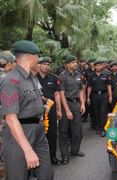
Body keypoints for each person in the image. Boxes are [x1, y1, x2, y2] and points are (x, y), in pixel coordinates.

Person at [0, 40, 53, 180]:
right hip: (18, 134)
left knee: (46, 174)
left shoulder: (31, 77)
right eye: (37, 56)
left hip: (38, 130)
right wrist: (28, 150)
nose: (38, 59)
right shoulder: (11, 81)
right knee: (18, 176)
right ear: (31, 57)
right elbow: (10, 119)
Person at [58, 54, 86, 164]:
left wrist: (83, 104)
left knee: (78, 130)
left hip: (76, 104)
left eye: (75, 62)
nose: (75, 64)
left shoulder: (79, 74)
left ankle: (75, 150)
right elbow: (61, 94)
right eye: (73, 62)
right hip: (66, 104)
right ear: (67, 65)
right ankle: (64, 154)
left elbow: (80, 90)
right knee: (64, 131)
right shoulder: (62, 76)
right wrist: (67, 110)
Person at [36, 56, 62, 165]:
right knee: (39, 134)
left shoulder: (54, 78)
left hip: (51, 109)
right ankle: (40, 159)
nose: (46, 66)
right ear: (39, 65)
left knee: (52, 133)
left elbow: (57, 94)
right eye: (44, 64)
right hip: (37, 109)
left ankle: (53, 157)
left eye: (48, 65)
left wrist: (59, 110)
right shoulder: (33, 78)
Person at [87, 60, 112, 137]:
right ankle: (98, 127)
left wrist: (110, 96)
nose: (98, 67)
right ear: (95, 66)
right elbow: (89, 87)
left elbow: (109, 86)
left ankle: (103, 129)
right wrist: (88, 97)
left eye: (100, 65)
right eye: (97, 65)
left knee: (103, 112)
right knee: (96, 112)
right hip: (95, 95)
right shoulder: (91, 75)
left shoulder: (106, 74)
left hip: (104, 95)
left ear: (102, 66)